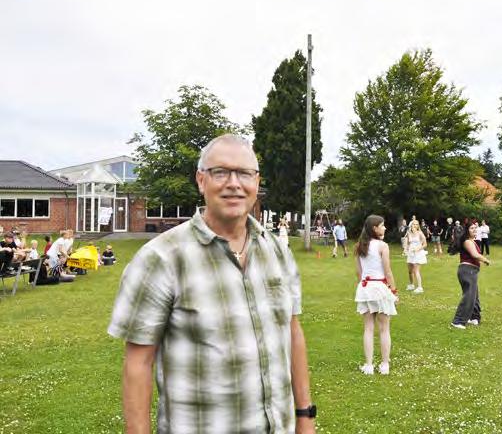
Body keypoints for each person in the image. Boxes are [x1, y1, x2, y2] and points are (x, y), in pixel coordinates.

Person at [108, 134, 316, 433]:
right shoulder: (161, 258)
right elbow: (138, 364)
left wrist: (305, 416)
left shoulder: (277, 251)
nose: (234, 183)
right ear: (201, 180)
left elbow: (293, 333)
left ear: (257, 182)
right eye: (221, 172)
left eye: (244, 173)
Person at [354, 215, 398, 375]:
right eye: (382, 225)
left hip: (365, 287)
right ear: (375, 228)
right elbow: (388, 271)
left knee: (368, 328)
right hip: (380, 287)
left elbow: (359, 272)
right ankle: (384, 365)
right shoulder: (382, 246)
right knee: (384, 329)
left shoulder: (360, 246)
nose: (385, 227)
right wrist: (393, 291)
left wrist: (364, 285)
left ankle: (369, 365)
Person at [451, 221, 491, 329]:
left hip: (471, 271)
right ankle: (458, 321)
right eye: (471, 228)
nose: (474, 230)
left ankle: (474, 317)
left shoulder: (472, 241)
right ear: (467, 231)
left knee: (474, 295)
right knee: (469, 295)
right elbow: (475, 254)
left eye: (475, 228)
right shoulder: (467, 241)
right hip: (467, 271)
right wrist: (485, 260)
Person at [405, 220, 427, 294]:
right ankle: (411, 285)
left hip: (418, 253)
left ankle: (420, 287)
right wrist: (406, 249)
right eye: (414, 224)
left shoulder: (420, 233)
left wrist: (418, 249)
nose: (415, 226)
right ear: (411, 225)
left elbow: (425, 244)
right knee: (410, 271)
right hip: (411, 253)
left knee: (416, 270)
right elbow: (408, 243)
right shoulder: (409, 233)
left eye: (417, 224)